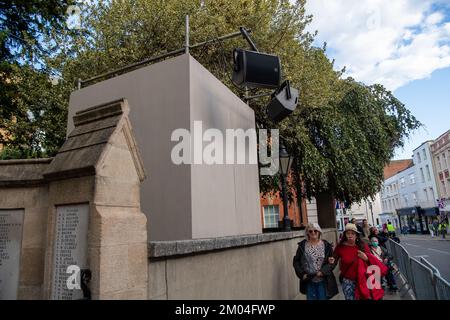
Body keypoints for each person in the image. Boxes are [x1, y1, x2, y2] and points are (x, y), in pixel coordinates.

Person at [333, 223, 388, 300]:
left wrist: (366, 258)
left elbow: (372, 262)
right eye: (348, 233)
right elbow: (333, 261)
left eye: (352, 233)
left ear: (356, 235)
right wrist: (329, 262)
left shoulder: (363, 246)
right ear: (345, 235)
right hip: (348, 281)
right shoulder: (340, 247)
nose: (350, 235)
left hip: (363, 280)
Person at [293, 223, 338, 300]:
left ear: (319, 232)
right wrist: (302, 274)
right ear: (307, 233)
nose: (313, 233)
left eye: (315, 231)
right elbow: (296, 261)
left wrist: (323, 271)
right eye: (310, 231)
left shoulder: (326, 245)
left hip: (323, 281)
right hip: (309, 280)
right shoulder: (302, 245)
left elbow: (332, 262)